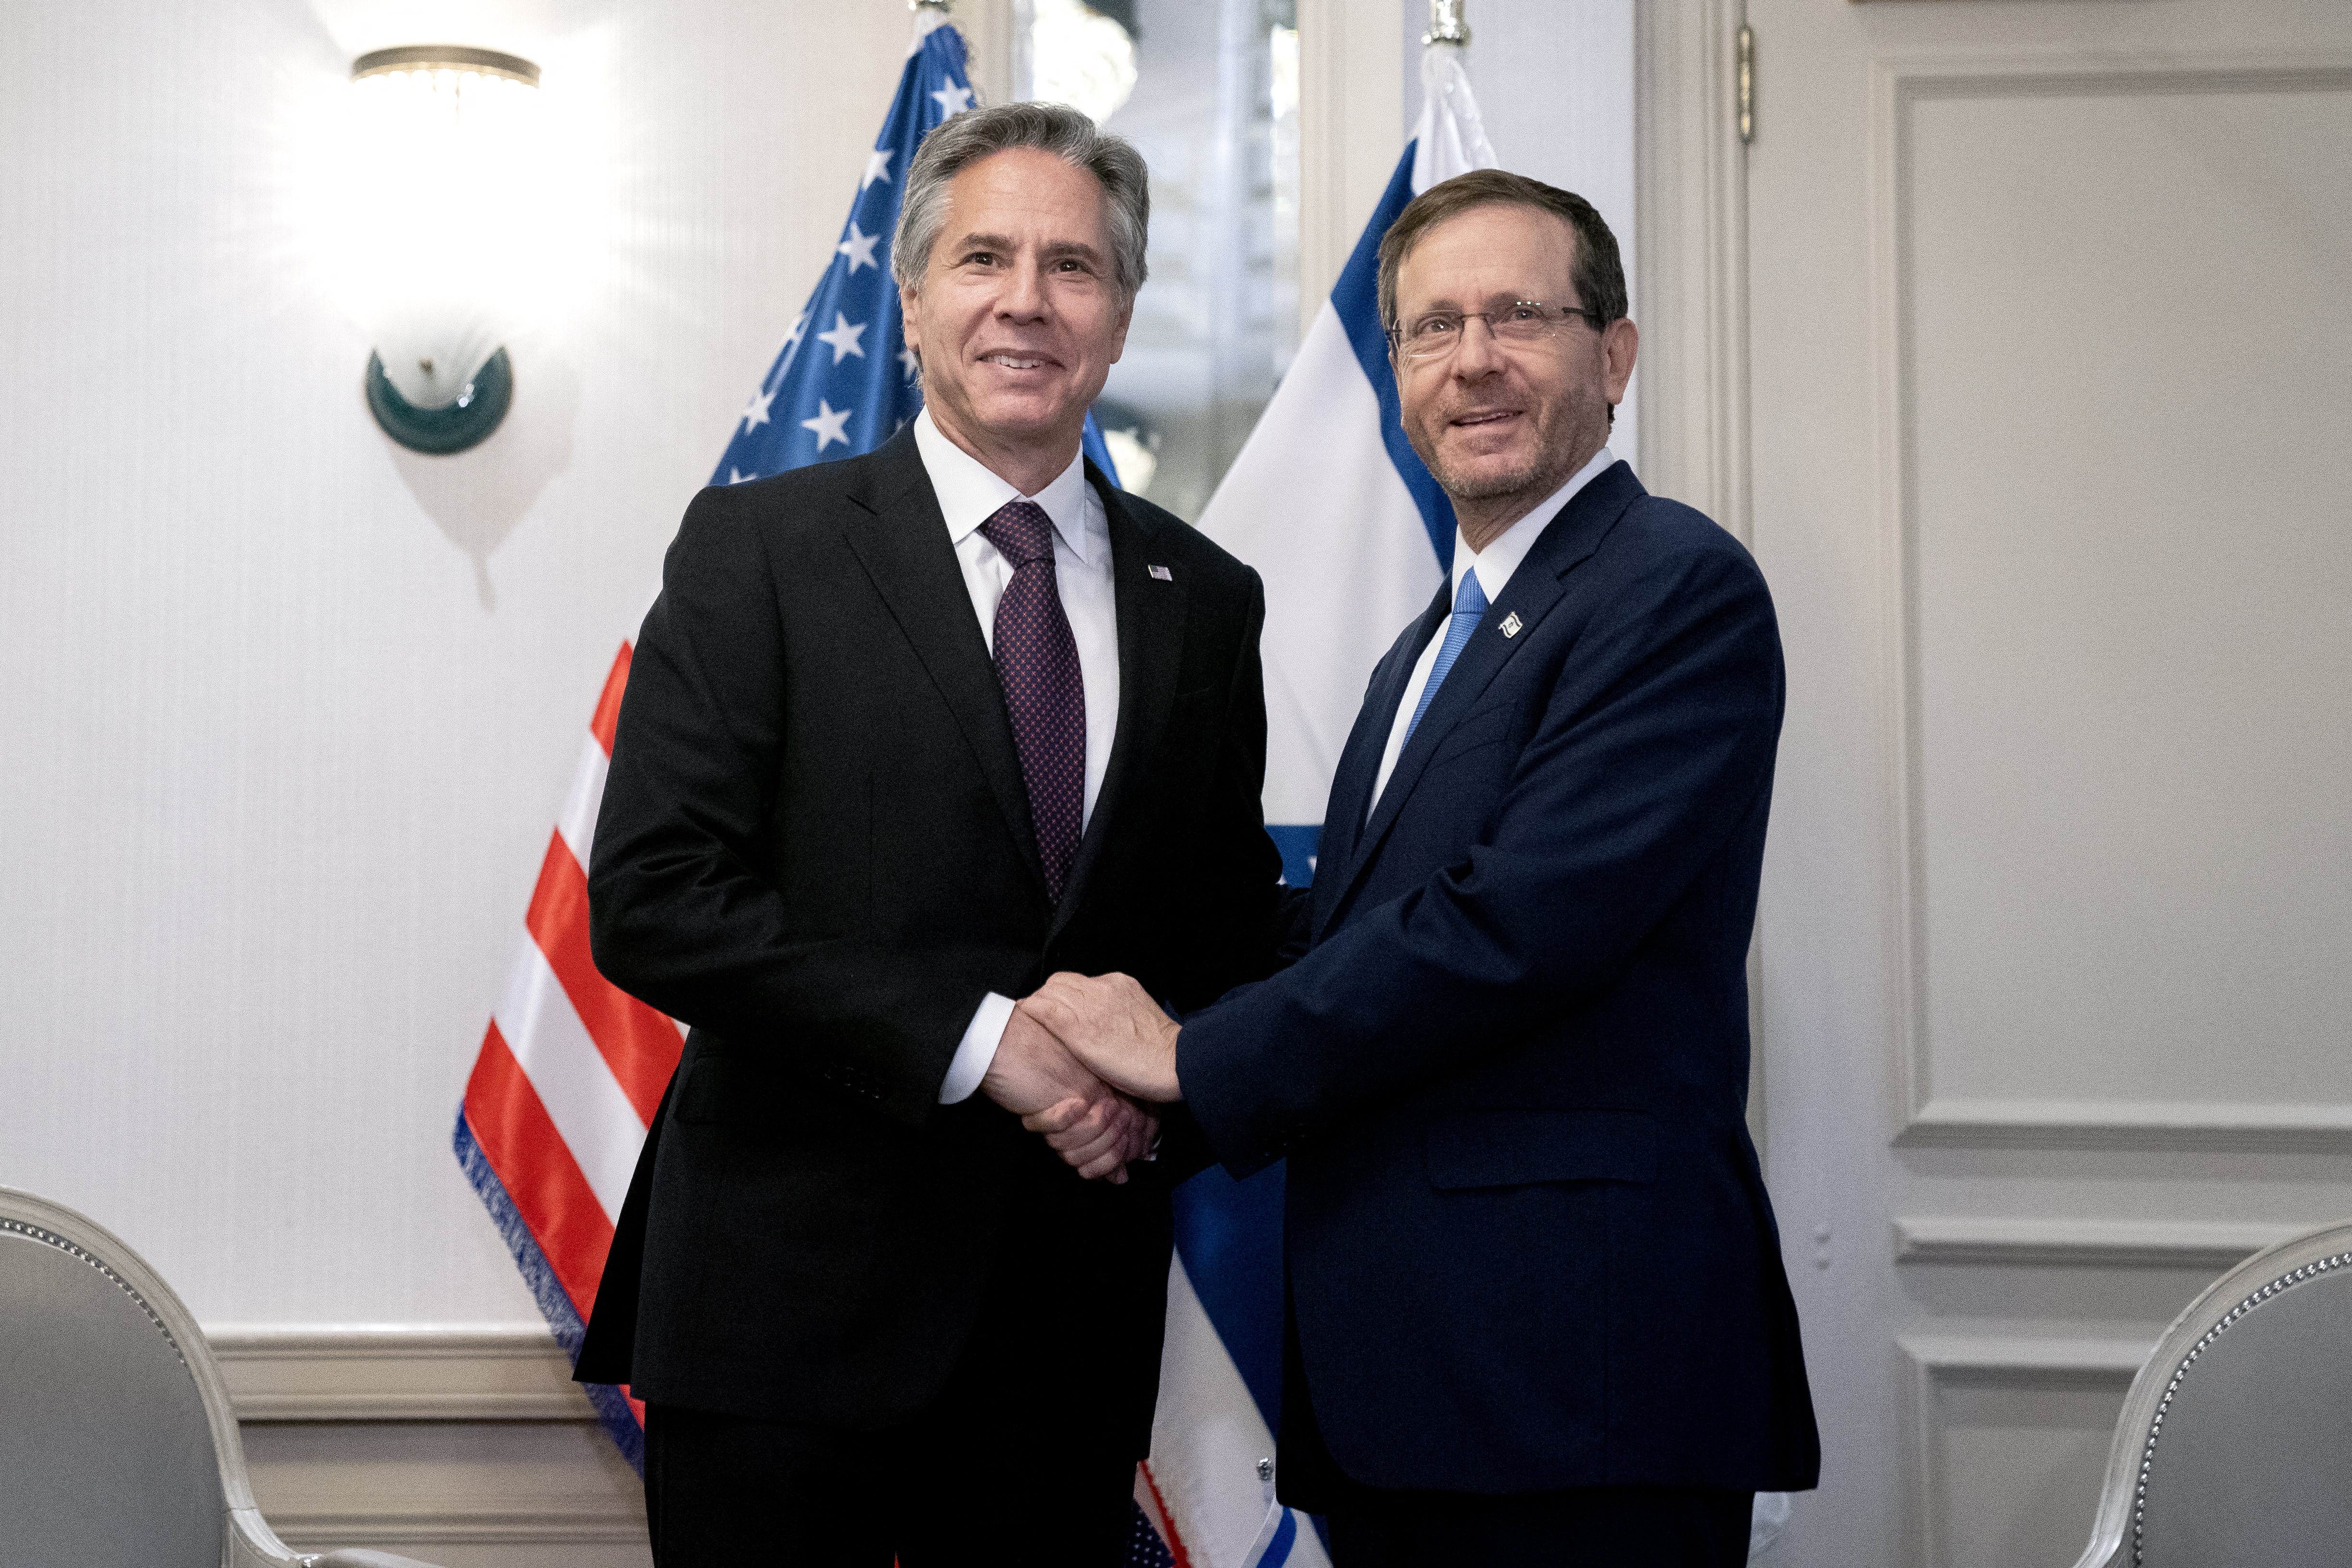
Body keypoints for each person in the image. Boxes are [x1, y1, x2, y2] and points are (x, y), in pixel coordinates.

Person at [1027, 170, 1821, 1567]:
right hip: (1414, 1381)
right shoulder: (1426, 648)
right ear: (1393, 370)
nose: (1473, 362)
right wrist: (1114, 1023)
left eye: (1518, 315)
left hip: (1577, 1388)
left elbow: (1511, 929)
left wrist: (1184, 1061)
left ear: (1613, 354)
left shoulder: (1671, 588)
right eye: (1431, 327)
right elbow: (1352, 931)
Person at [573, 101, 1283, 1567]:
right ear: (911, 299)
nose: (1027, 301)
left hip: (1067, 1333)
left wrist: (1153, 1086)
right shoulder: (756, 547)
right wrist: (987, 1043)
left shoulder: (1204, 597)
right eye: (984, 258)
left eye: (1073, 267)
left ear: (1122, 314)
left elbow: (1219, 925)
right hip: (782, 1332)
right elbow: (656, 897)